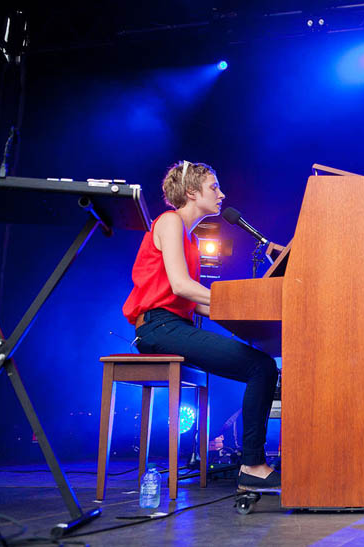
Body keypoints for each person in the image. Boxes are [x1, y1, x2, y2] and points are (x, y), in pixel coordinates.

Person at [123, 160, 280, 490]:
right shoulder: (169, 222)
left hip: (170, 323)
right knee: (261, 367)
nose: (221, 194)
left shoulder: (189, 238)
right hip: (158, 327)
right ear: (192, 192)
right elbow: (182, 287)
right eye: (214, 187)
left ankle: (254, 463)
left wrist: (250, 311)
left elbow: (193, 302)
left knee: (262, 366)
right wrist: (237, 304)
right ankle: (253, 465)